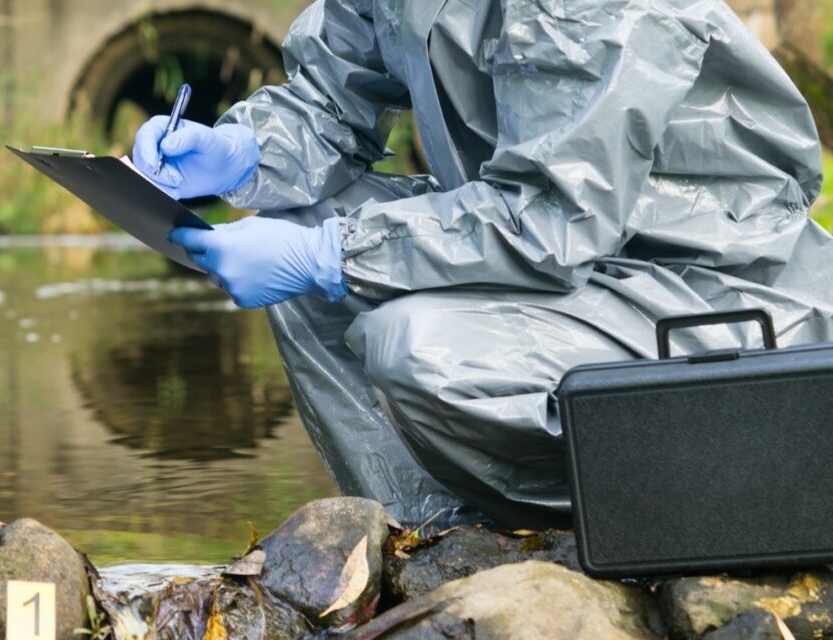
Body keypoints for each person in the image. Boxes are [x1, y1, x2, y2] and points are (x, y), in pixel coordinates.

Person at [130, 0, 831, 528]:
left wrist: (336, 252)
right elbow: (329, 99)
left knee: (416, 346)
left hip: (710, 295)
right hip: (566, 260)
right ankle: (422, 536)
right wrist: (245, 152)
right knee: (300, 221)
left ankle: (587, 533)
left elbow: (551, 218)